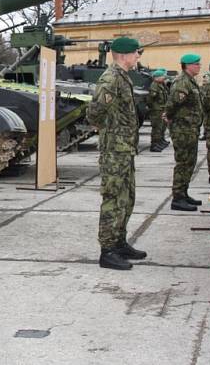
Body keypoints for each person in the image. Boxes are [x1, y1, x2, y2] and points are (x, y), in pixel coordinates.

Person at [86, 36, 146, 271]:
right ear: (124, 55)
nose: (138, 57)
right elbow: (95, 111)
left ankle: (119, 242)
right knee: (113, 199)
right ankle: (107, 251)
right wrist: (107, 130)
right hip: (114, 150)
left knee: (126, 197)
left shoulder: (123, 77)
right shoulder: (111, 78)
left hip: (124, 149)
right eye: (136, 53)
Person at [165, 53, 204, 211]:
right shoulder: (182, 83)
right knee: (183, 163)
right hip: (182, 130)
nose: (199, 66)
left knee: (190, 162)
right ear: (187, 65)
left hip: (191, 129)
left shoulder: (190, 81)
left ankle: (184, 193)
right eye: (196, 64)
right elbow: (172, 103)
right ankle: (177, 198)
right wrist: (168, 116)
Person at [146, 69, 170, 152]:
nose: (164, 77)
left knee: (161, 127)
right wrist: (153, 108)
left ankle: (159, 141)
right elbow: (150, 99)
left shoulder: (161, 85)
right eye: (162, 76)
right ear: (156, 78)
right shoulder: (154, 85)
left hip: (161, 109)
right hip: (156, 110)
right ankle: (154, 145)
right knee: (157, 128)